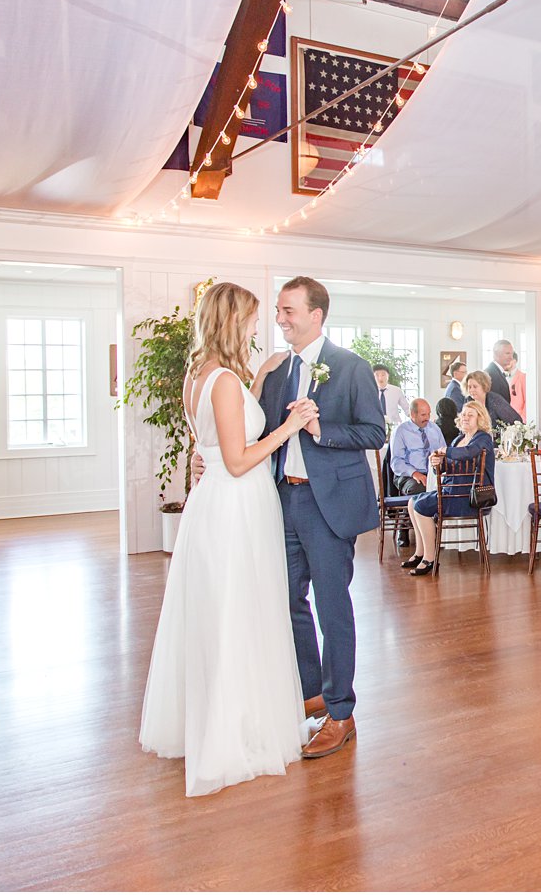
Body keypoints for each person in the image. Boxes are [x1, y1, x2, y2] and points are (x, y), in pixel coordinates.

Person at [140, 283, 317, 797]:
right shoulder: (220, 382)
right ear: (231, 320)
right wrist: (289, 427)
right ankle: (236, 733)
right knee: (239, 611)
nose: (258, 327)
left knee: (222, 611)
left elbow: (213, 445)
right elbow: (238, 459)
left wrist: (259, 379)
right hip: (237, 503)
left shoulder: (200, 377)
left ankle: (221, 718)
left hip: (214, 501)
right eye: (252, 319)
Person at [249, 276, 383, 759]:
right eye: (279, 311)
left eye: (288, 310)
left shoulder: (350, 367)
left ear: (315, 315)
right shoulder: (280, 370)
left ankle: (341, 712)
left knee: (332, 606)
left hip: (329, 505)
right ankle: (312, 693)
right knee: (287, 599)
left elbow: (374, 432)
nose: (280, 318)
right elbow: (259, 430)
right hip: (284, 498)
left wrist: (320, 427)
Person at [406, 401, 496, 576]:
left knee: (421, 506)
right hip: (452, 492)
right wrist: (436, 463)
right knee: (412, 502)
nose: (465, 418)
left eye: (471, 415)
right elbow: (446, 466)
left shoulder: (483, 438)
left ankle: (430, 559)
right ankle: (420, 552)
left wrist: (445, 451)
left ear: (480, 418)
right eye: (463, 414)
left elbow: (470, 452)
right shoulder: (458, 439)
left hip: (469, 497)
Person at [389, 399, 445, 497]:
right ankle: (414, 512)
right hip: (409, 475)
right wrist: (414, 473)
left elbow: (444, 451)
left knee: (450, 486)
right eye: (423, 415)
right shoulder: (401, 431)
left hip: (433, 473)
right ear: (412, 414)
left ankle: (441, 512)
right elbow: (396, 462)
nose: (427, 418)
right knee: (421, 488)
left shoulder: (435, 428)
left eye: (429, 414)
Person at [485, 339, 515, 405]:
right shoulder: (491, 374)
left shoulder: (497, 371)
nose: (511, 357)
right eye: (507, 353)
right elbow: (493, 403)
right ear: (496, 354)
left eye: (512, 354)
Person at [508, 352, 528, 421]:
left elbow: (527, 401)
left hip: (518, 420)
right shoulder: (501, 377)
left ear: (514, 361)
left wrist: (522, 420)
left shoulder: (523, 377)